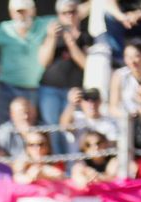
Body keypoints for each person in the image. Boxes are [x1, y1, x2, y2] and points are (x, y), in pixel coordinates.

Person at [0, 0, 51, 124]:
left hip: (32, 89)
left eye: (25, 11)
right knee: (4, 128)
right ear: (11, 13)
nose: (22, 15)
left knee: (31, 128)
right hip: (6, 88)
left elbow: (72, 13)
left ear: (33, 11)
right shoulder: (4, 29)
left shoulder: (44, 24)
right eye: (18, 12)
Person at [37, 0, 90, 130]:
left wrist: (71, 43)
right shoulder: (50, 35)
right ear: (59, 15)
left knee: (71, 128)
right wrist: (52, 38)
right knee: (52, 128)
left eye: (72, 12)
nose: (69, 16)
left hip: (73, 91)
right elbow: (44, 62)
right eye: (64, 13)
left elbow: (86, 65)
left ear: (78, 13)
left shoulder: (85, 36)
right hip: (50, 89)